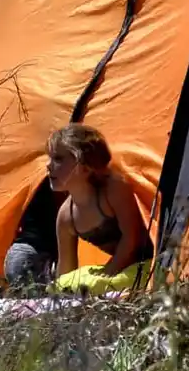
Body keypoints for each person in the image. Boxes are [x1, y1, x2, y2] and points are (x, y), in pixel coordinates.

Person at [46, 124, 154, 296]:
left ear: (85, 167)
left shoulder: (113, 189)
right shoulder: (67, 217)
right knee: (62, 286)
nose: (48, 165)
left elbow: (132, 237)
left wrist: (109, 272)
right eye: (50, 158)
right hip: (119, 271)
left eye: (58, 159)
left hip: (151, 262)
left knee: (101, 285)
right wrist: (63, 292)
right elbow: (66, 269)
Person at [3, 178, 65, 290]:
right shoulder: (47, 191)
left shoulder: (32, 190)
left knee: (28, 303)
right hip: (30, 254)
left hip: (18, 253)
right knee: (34, 302)